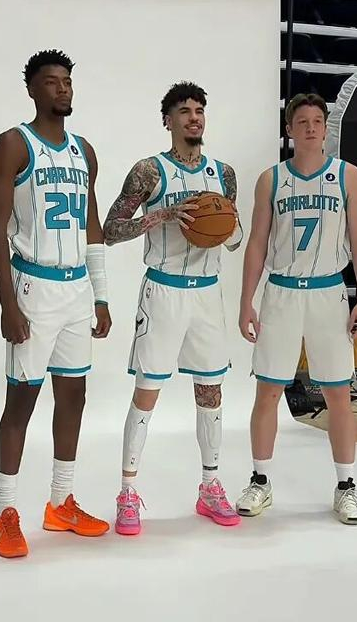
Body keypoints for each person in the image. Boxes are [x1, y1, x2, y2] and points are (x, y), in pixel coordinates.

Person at [0, 49, 111, 558]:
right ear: (33, 90)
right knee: (21, 401)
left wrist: (101, 294)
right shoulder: (13, 144)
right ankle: (6, 513)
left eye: (67, 82)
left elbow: (92, 225)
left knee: (74, 395)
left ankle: (60, 503)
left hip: (77, 288)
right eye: (52, 82)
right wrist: (7, 302)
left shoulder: (85, 151)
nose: (63, 89)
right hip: (33, 287)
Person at [103, 81, 243, 535]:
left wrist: (227, 223)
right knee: (147, 391)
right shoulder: (149, 171)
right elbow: (110, 229)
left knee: (211, 391)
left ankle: (210, 486)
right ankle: (127, 493)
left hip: (207, 294)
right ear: (168, 120)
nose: (194, 117)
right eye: (184, 111)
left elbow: (234, 238)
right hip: (163, 290)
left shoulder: (224, 174)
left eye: (199, 110)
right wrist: (162, 215)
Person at [235, 93, 357, 525]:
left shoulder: (347, 176)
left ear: (325, 128)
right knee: (268, 391)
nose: (311, 127)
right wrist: (246, 300)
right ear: (289, 130)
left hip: (328, 292)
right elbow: (257, 243)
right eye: (302, 121)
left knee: (338, 395)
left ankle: (346, 486)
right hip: (281, 292)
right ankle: (260, 480)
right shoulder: (271, 180)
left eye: (317, 121)